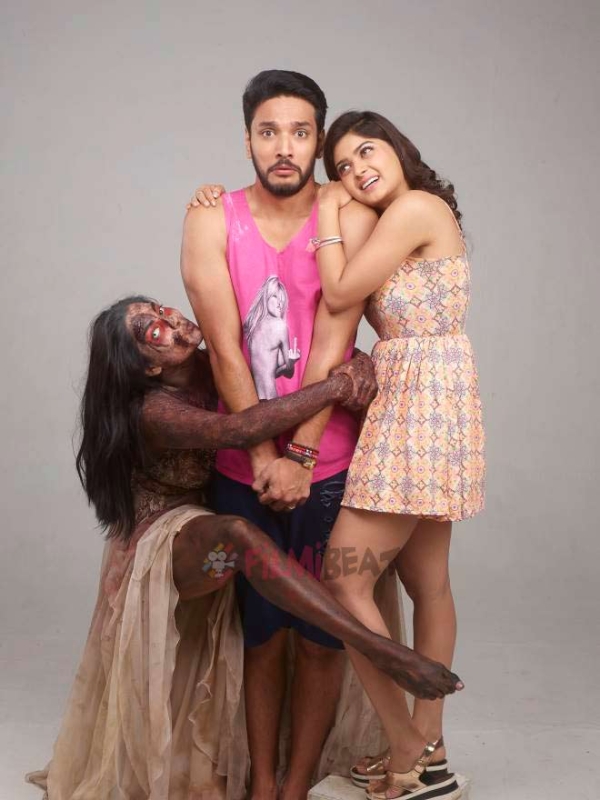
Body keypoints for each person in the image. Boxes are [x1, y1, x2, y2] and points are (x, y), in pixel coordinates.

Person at [26, 297, 461, 800]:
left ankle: (291, 783)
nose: (171, 321)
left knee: (290, 618)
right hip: (173, 548)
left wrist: (357, 362)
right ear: (147, 366)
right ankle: (381, 651)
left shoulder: (213, 364)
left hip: (217, 524)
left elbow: (293, 361)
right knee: (238, 539)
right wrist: (336, 387)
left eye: (162, 310)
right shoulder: (153, 409)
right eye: (153, 331)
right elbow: (238, 429)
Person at [181, 71, 393, 800]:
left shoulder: (346, 217)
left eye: (300, 132)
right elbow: (224, 346)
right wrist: (263, 456)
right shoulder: (211, 219)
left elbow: (335, 337)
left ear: (318, 139)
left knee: (324, 633)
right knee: (263, 629)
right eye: (268, 131)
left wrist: (299, 456)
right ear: (247, 138)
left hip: (329, 464)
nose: (283, 147)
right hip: (244, 466)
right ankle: (263, 785)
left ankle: (297, 785)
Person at [311, 111, 486, 800]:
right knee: (428, 584)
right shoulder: (402, 216)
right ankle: (429, 753)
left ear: (398, 149)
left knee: (343, 577)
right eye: (343, 167)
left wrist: (328, 213)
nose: (357, 170)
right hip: (428, 398)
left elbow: (339, 291)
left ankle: (407, 746)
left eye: (366, 151)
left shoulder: (414, 207)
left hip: (420, 407)